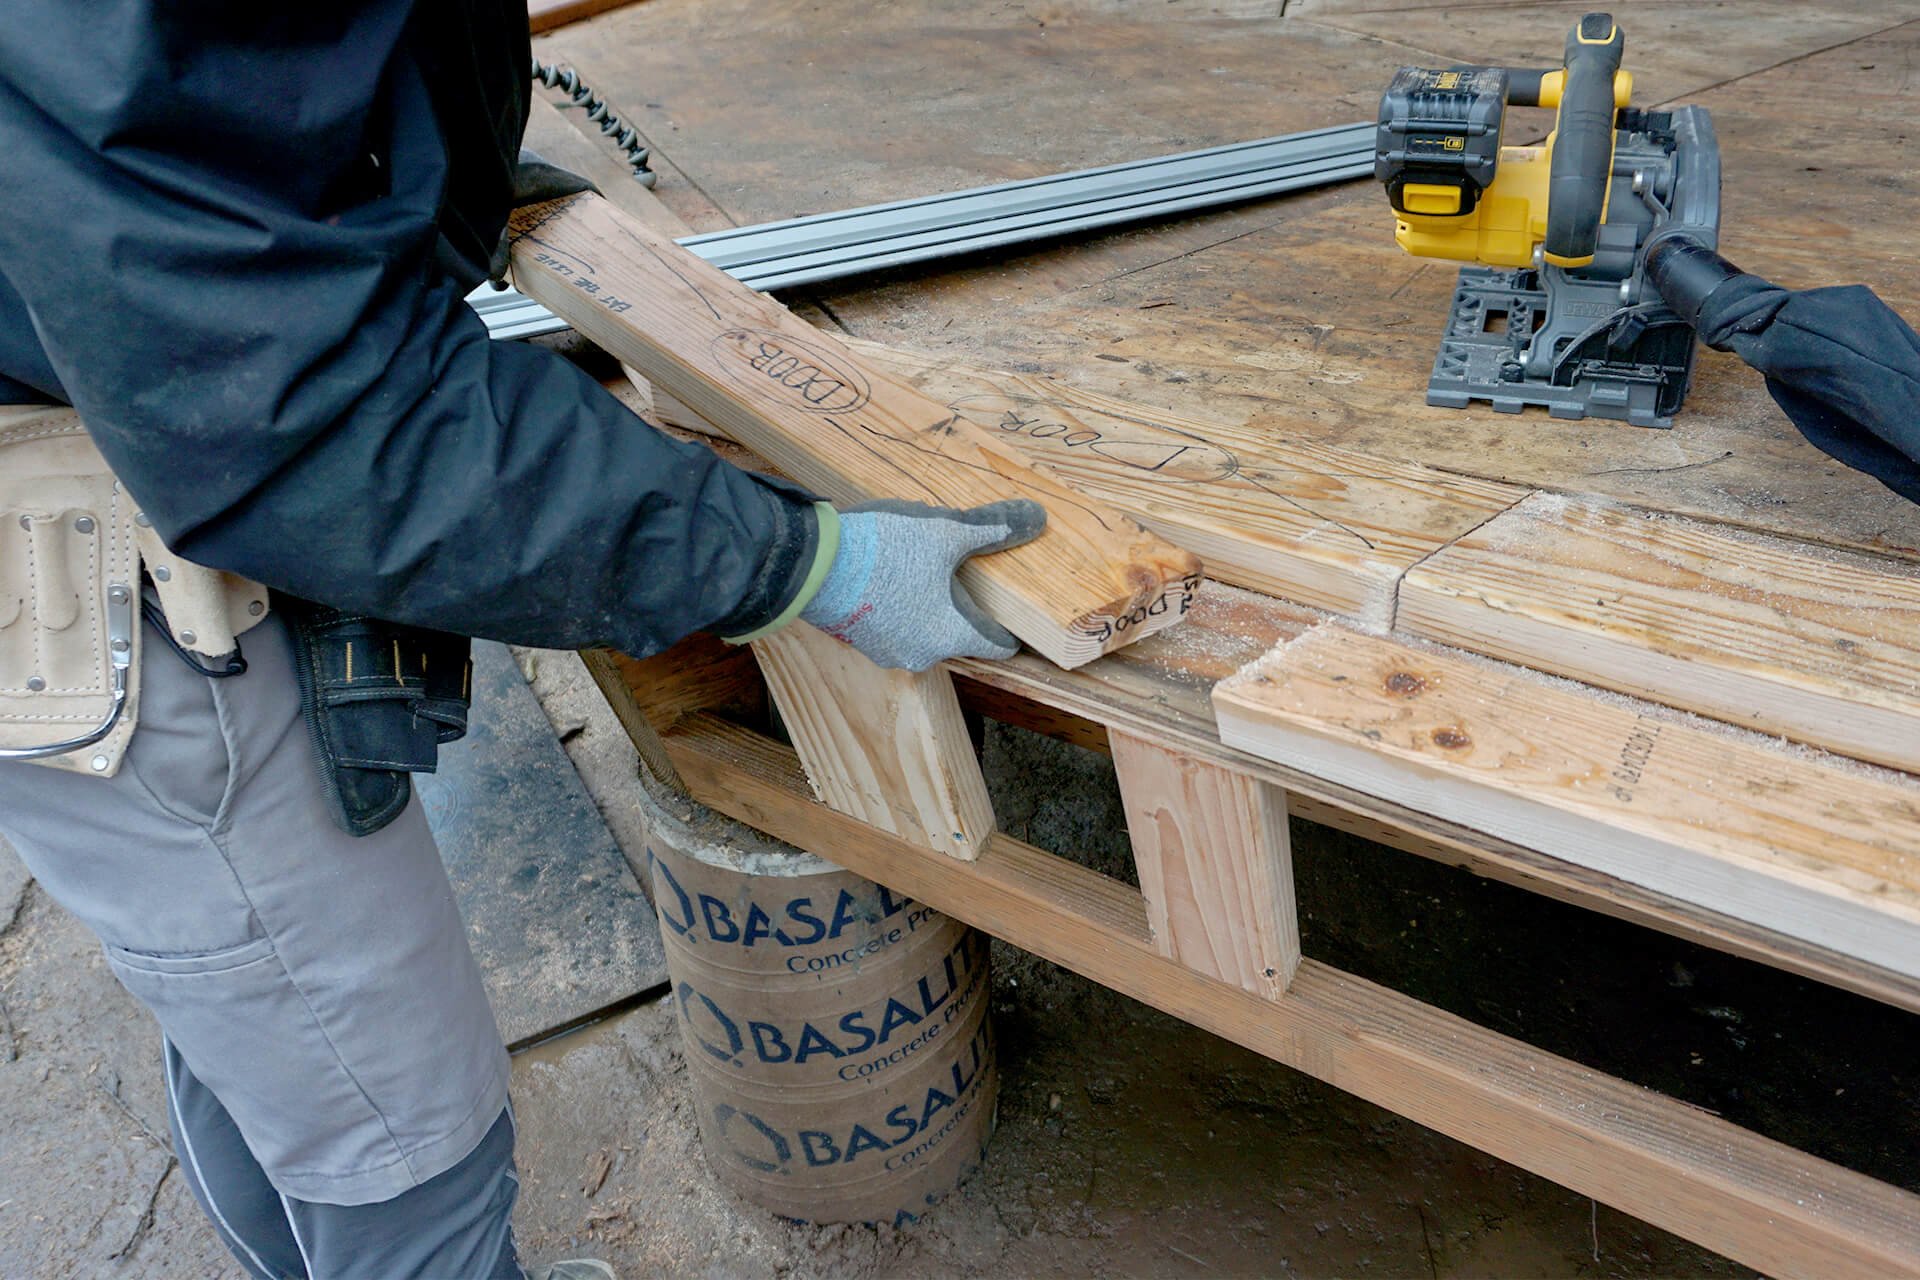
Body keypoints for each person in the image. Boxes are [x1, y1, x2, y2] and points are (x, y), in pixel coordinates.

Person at [0, 5, 1042, 1277]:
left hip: (154, 379)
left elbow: (276, 105)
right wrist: (792, 559)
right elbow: (301, 413)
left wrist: (435, 199)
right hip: (104, 519)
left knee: (258, 1009)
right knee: (387, 1120)